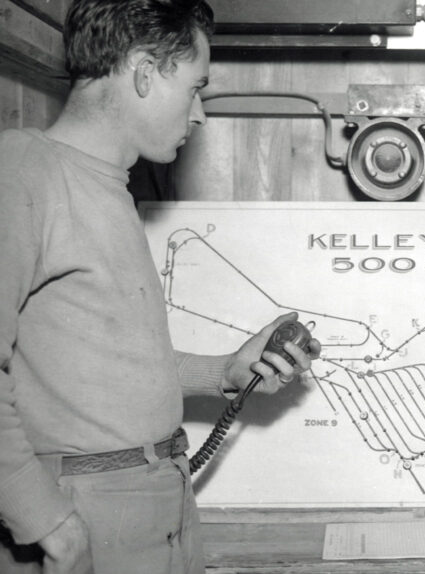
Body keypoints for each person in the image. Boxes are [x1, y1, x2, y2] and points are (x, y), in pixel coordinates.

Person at [0, 1, 315, 572]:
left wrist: (223, 371)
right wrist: (47, 521)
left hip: (158, 510)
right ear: (145, 72)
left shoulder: (109, 189)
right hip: (81, 521)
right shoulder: (24, 173)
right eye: (194, 87)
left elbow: (105, 366)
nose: (198, 115)